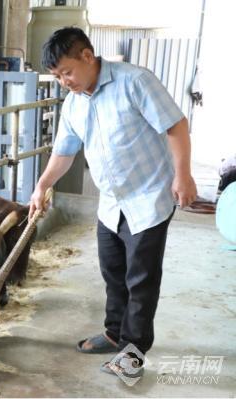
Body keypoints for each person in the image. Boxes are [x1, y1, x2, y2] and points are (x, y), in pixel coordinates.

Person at [29, 27, 197, 378]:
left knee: (141, 281)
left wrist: (183, 176)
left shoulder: (135, 82)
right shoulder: (74, 103)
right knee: (113, 273)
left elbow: (176, 126)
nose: (64, 82)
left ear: (88, 56)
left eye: (67, 72)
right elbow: (64, 151)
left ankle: (133, 353)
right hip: (110, 203)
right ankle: (113, 332)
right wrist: (42, 186)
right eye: (57, 76)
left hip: (148, 198)